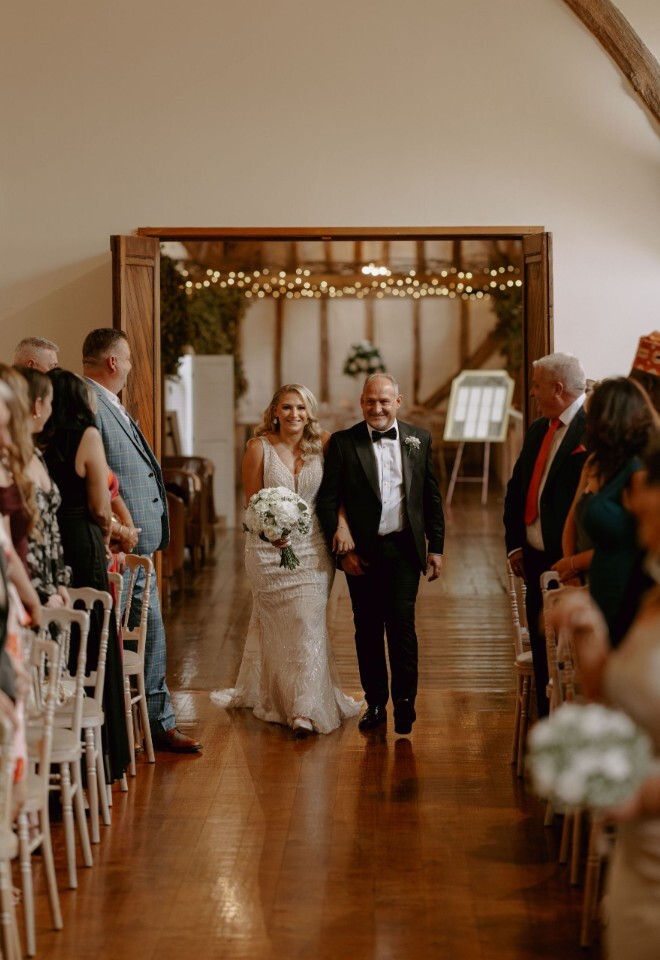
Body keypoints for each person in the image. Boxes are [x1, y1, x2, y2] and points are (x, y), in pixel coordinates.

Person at [549, 432, 660, 960]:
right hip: (640, 862)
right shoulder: (651, 592)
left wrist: (641, 793)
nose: (636, 516)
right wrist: (590, 636)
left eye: (649, 516)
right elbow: (620, 699)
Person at [211, 384, 361, 735]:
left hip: (314, 549)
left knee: (308, 623)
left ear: (309, 413)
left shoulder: (324, 443)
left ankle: (304, 711)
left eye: (301, 408)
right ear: (275, 410)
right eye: (288, 407)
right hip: (267, 552)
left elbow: (338, 492)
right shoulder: (257, 447)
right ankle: (280, 698)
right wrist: (270, 532)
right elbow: (251, 504)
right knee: (279, 627)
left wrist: (342, 524)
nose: (295, 414)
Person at [82, 328, 201, 753]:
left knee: (149, 631)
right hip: (119, 546)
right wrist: (119, 529)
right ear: (112, 362)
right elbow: (95, 480)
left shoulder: (107, 401)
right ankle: (131, 727)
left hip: (136, 543)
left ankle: (154, 721)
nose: (132, 366)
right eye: (128, 358)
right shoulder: (89, 403)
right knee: (121, 634)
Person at [316, 373, 445, 736]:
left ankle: (405, 701)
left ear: (398, 402)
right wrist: (343, 554)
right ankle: (375, 703)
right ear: (361, 401)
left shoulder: (419, 439)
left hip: (404, 547)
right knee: (367, 629)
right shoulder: (344, 443)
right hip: (362, 552)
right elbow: (327, 500)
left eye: (384, 401)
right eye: (370, 401)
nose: (377, 408)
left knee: (402, 626)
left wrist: (436, 547)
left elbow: (430, 497)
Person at [41, 368, 130, 781]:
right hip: (81, 538)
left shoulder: (37, 440)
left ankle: (55, 738)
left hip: (49, 542)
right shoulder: (86, 436)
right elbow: (99, 506)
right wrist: (117, 532)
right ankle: (103, 754)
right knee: (93, 634)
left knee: (62, 634)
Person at [503, 352, 587, 717]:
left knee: (572, 652)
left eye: (536, 386)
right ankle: (546, 721)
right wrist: (515, 544)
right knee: (542, 645)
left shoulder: (593, 429)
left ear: (557, 387)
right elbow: (517, 488)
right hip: (533, 558)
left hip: (570, 563)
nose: (532, 394)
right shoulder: (540, 428)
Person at [580, 378, 658, 647]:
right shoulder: (613, 467)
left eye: (593, 416)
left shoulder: (638, 473)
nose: (586, 425)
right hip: (605, 591)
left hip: (626, 592)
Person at [15, 367, 72, 608]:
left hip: (51, 584)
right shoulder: (11, 460)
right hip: (29, 587)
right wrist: (39, 597)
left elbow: (51, 526)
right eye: (50, 402)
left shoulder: (36, 454)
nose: (52, 409)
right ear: (38, 406)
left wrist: (60, 582)